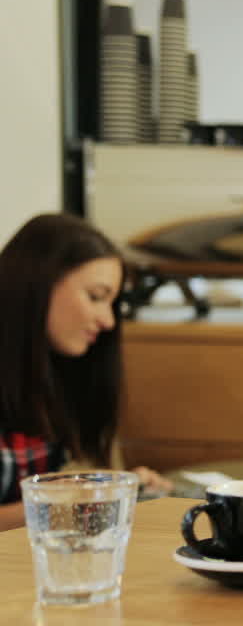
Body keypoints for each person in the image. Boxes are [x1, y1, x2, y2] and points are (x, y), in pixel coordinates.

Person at [0, 214, 172, 531]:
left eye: (112, 303)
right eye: (95, 297)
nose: (107, 321)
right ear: (36, 285)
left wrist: (124, 489)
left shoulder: (72, 374)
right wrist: (62, 501)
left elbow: (84, 483)